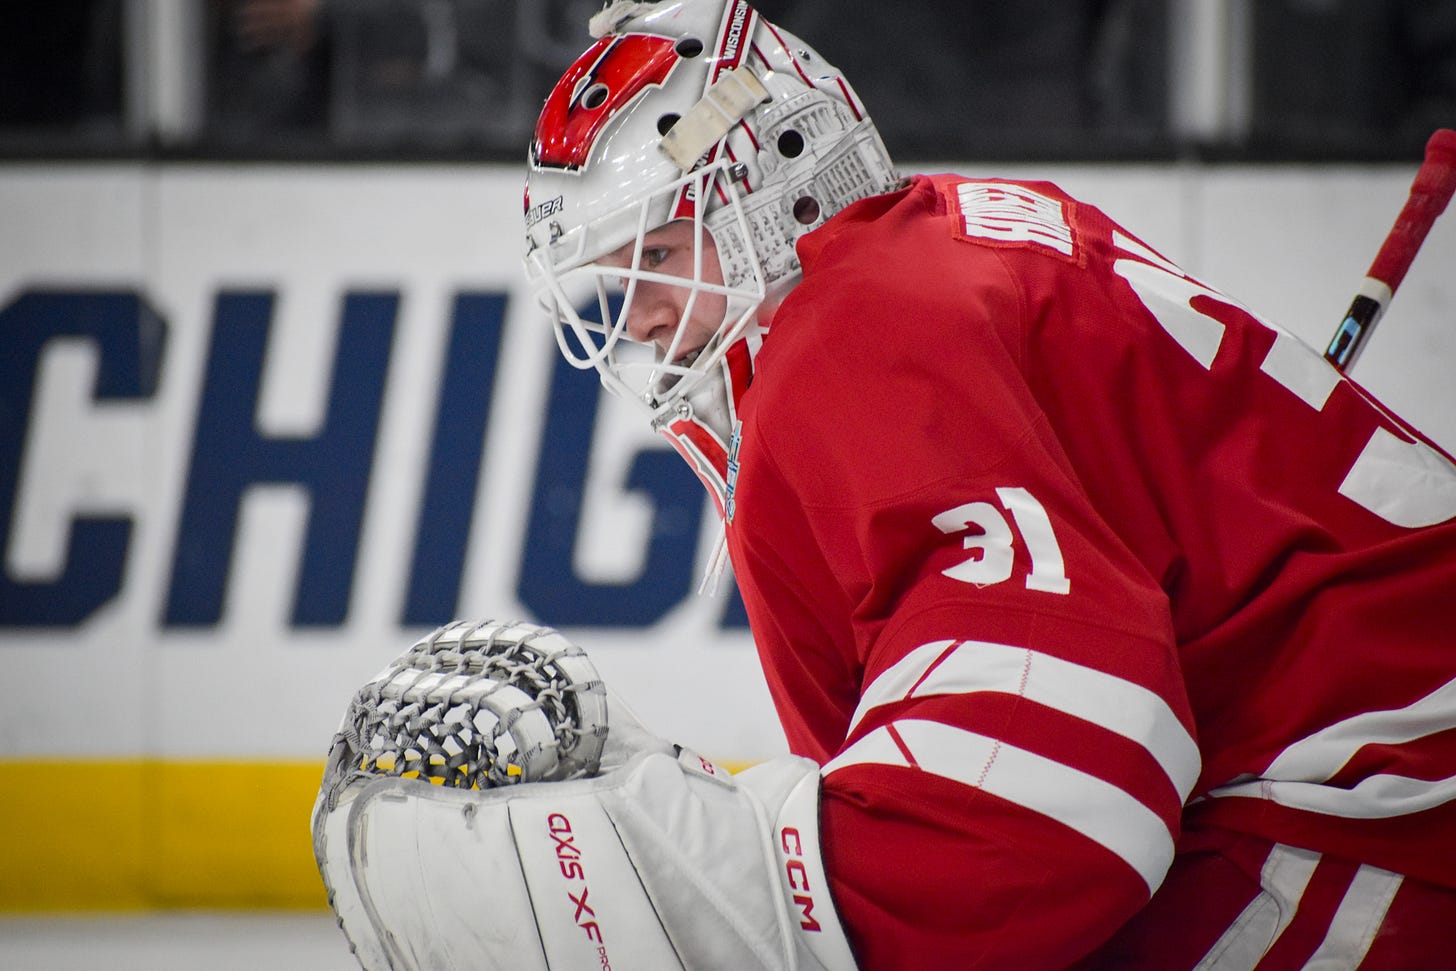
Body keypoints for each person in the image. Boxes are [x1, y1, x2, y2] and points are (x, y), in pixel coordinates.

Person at [516, 0, 1456, 967]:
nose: (636, 314)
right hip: (1363, 745)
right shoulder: (949, 240)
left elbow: (1060, 790)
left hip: (1391, 790)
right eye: (617, 274)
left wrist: (772, 904)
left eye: (659, 255)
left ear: (772, 182)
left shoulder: (855, 337)